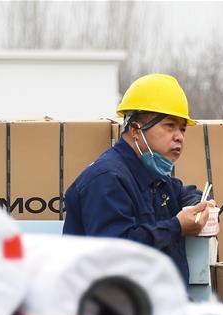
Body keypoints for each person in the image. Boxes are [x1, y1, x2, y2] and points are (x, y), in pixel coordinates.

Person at [63, 73, 212, 286]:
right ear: (135, 130)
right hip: (112, 309)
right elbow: (118, 253)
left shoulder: (155, 175)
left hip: (158, 302)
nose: (179, 136)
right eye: (170, 126)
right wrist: (177, 226)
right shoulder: (106, 180)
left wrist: (200, 207)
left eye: (183, 129)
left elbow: (186, 193)